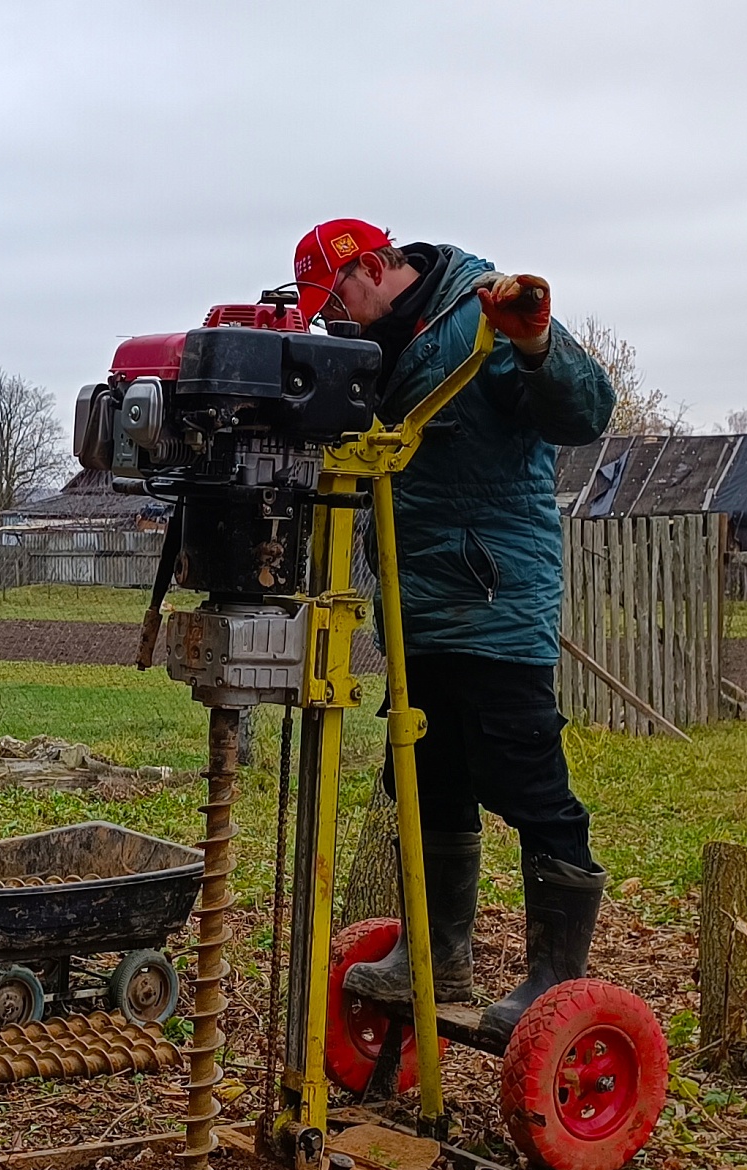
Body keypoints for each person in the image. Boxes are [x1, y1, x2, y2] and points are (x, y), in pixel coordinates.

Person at [292, 219, 616, 1041]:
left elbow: (583, 414)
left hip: (493, 589)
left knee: (521, 769)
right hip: (414, 596)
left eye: (340, 300)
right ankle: (437, 956)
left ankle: (553, 974)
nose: (340, 321)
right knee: (425, 770)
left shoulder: (483, 313)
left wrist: (538, 344)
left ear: (374, 266)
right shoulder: (375, 351)